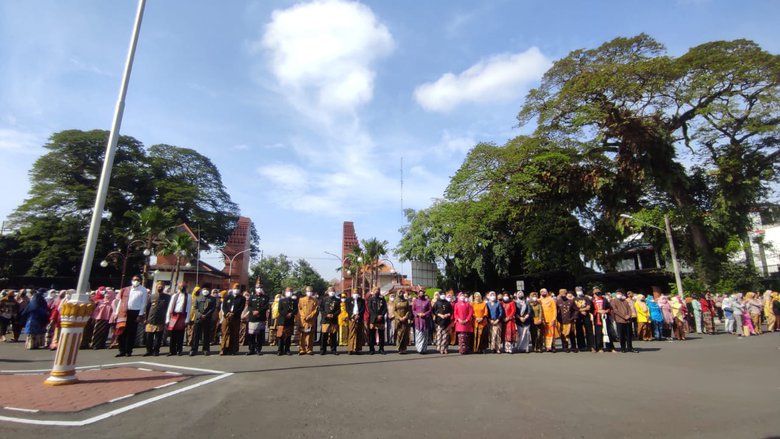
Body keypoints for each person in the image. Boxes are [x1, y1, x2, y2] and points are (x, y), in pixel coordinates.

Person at [115, 275, 148, 357]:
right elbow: (120, 301)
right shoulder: (126, 289)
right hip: (124, 312)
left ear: (140, 281)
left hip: (135, 313)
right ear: (131, 280)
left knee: (131, 333)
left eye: (137, 279)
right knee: (121, 332)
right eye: (134, 279)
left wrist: (140, 314)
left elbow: (143, 303)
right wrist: (116, 313)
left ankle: (128, 351)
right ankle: (121, 350)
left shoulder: (143, 290)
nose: (135, 281)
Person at [143, 284, 170, 356]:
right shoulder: (151, 296)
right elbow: (147, 308)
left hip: (160, 320)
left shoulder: (167, 297)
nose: (160, 288)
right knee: (149, 337)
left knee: (158, 337)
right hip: (150, 319)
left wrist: (167, 319)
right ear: (156, 287)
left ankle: (156, 351)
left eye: (161, 287)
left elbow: (168, 309)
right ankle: (149, 351)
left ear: (164, 287)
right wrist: (145, 318)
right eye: (159, 287)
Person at [220, 283, 246, 355]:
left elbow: (241, 308)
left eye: (237, 289)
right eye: (235, 288)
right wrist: (227, 313)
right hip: (226, 317)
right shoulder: (227, 297)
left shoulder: (242, 298)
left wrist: (233, 313)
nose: (236, 290)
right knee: (225, 333)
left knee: (234, 334)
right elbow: (224, 306)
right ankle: (223, 349)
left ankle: (233, 350)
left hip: (236, 317)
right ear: (232, 289)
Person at [165, 283, 190, 356]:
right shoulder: (174, 296)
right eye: (181, 287)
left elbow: (188, 308)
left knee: (180, 334)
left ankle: (179, 350)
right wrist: (167, 319)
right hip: (173, 315)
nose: (182, 288)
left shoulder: (188, 296)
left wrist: (187, 319)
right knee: (172, 334)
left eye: (184, 287)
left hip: (182, 316)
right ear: (179, 287)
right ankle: (172, 351)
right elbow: (170, 307)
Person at [190, 287, 216, 356]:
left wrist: (206, 315)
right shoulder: (197, 298)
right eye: (204, 289)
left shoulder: (212, 298)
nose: (205, 291)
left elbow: (212, 308)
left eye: (207, 289)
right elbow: (195, 308)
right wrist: (200, 315)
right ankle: (194, 349)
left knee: (206, 335)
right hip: (198, 319)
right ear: (202, 290)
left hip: (207, 319)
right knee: (196, 335)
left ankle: (206, 349)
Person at [246, 283, 270, 355]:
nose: (258, 288)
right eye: (257, 287)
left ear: (262, 288)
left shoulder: (265, 297)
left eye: (260, 287)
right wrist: (253, 311)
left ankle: (258, 350)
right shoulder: (251, 297)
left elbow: (266, 306)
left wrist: (258, 311)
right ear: (255, 288)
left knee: (259, 336)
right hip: (252, 318)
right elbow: (249, 306)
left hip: (261, 318)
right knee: (251, 335)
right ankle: (251, 349)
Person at [366, 287, 387, 355]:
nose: (377, 291)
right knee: (372, 335)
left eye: (378, 290)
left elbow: (385, 308)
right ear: (373, 291)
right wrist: (376, 316)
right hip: (373, 319)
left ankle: (381, 349)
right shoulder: (371, 299)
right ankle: (372, 349)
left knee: (381, 335)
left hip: (381, 319)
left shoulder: (382, 299)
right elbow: (370, 309)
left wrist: (381, 315)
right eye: (375, 290)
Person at [297, 286, 319, 355]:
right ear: (306, 292)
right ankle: (302, 349)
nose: (309, 292)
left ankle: (309, 349)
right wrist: (303, 316)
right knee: (302, 335)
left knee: (310, 335)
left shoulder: (315, 300)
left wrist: (310, 316)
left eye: (311, 291)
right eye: (308, 291)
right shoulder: (301, 299)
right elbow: (299, 309)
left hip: (310, 320)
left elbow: (316, 310)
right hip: (303, 320)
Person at [319, 287, 340, 355]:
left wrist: (333, 315)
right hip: (325, 320)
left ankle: (333, 350)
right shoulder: (324, 299)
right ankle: (323, 350)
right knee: (324, 336)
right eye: (330, 291)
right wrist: (326, 315)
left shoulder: (337, 300)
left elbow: (339, 310)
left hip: (334, 320)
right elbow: (321, 309)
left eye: (333, 291)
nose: (332, 292)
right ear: (328, 292)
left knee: (333, 336)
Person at [345, 290, 366, 355]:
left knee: (359, 333)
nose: (355, 294)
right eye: (354, 293)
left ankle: (358, 349)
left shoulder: (362, 300)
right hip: (351, 318)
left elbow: (363, 309)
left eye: (357, 293)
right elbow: (347, 309)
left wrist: (358, 315)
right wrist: (352, 316)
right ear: (352, 293)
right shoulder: (348, 300)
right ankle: (350, 349)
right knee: (351, 333)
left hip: (359, 318)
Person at [572, 287, 593, 351]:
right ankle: (581, 346)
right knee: (579, 331)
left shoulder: (586, 298)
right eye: (577, 290)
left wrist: (581, 310)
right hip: (578, 317)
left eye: (580, 290)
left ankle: (591, 346)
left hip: (586, 316)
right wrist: (581, 310)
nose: (579, 291)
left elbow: (588, 307)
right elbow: (574, 308)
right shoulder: (574, 299)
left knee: (589, 331)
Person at [276, 288, 296, 355]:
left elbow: (296, 310)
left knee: (288, 336)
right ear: (285, 292)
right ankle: (280, 350)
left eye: (290, 291)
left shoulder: (294, 301)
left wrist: (291, 314)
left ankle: (287, 350)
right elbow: (279, 310)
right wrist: (286, 315)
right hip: (282, 320)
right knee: (280, 336)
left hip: (290, 321)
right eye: (287, 291)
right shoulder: (281, 300)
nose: (289, 292)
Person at [412, 288, 432, 354]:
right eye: (420, 293)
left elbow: (430, 310)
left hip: (425, 320)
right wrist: (417, 314)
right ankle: (419, 349)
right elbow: (413, 310)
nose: (421, 294)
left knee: (425, 335)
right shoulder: (415, 301)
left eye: (422, 293)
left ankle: (424, 349)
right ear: (418, 294)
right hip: (418, 320)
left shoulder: (427, 301)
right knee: (419, 334)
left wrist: (425, 314)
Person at [393, 289, 412, 354]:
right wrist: (399, 317)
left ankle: (404, 348)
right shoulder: (395, 301)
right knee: (399, 334)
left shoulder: (406, 301)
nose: (401, 293)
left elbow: (408, 310)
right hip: (398, 320)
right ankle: (399, 347)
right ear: (397, 293)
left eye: (402, 292)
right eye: (399, 292)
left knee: (404, 334)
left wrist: (405, 317)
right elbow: (394, 311)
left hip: (404, 319)